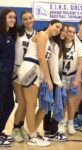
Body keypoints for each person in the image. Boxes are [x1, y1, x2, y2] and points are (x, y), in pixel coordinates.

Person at [18, 19, 62, 146]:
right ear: (49, 25)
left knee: (38, 105)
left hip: (37, 70)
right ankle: (32, 136)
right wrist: (48, 79)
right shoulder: (42, 34)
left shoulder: (48, 40)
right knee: (31, 105)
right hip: (31, 68)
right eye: (56, 26)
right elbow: (41, 57)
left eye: (60, 28)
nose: (58, 30)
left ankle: (33, 132)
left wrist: (46, 77)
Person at [11, 10, 34, 142]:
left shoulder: (37, 35)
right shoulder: (17, 33)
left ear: (33, 18)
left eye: (30, 18)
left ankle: (20, 127)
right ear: (22, 21)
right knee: (22, 103)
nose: (28, 21)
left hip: (30, 72)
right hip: (17, 70)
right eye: (25, 19)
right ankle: (15, 129)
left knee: (28, 104)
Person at [43, 24, 68, 141]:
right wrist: (58, 82)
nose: (63, 33)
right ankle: (52, 131)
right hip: (53, 79)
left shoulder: (58, 44)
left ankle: (48, 131)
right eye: (62, 30)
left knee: (48, 106)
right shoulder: (54, 45)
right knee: (58, 106)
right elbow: (53, 66)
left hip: (52, 77)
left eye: (65, 31)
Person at [60, 25, 82, 135]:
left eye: (74, 32)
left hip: (73, 76)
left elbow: (80, 63)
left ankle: (70, 123)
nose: (71, 34)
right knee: (62, 102)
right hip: (62, 76)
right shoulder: (60, 44)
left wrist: (77, 78)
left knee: (71, 102)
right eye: (69, 31)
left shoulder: (78, 46)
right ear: (65, 32)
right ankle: (61, 122)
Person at [0, 8, 17, 147]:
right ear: (4, 18)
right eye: (10, 17)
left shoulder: (10, 35)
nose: (12, 19)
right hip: (1, 76)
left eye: (14, 17)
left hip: (8, 77)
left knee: (10, 104)